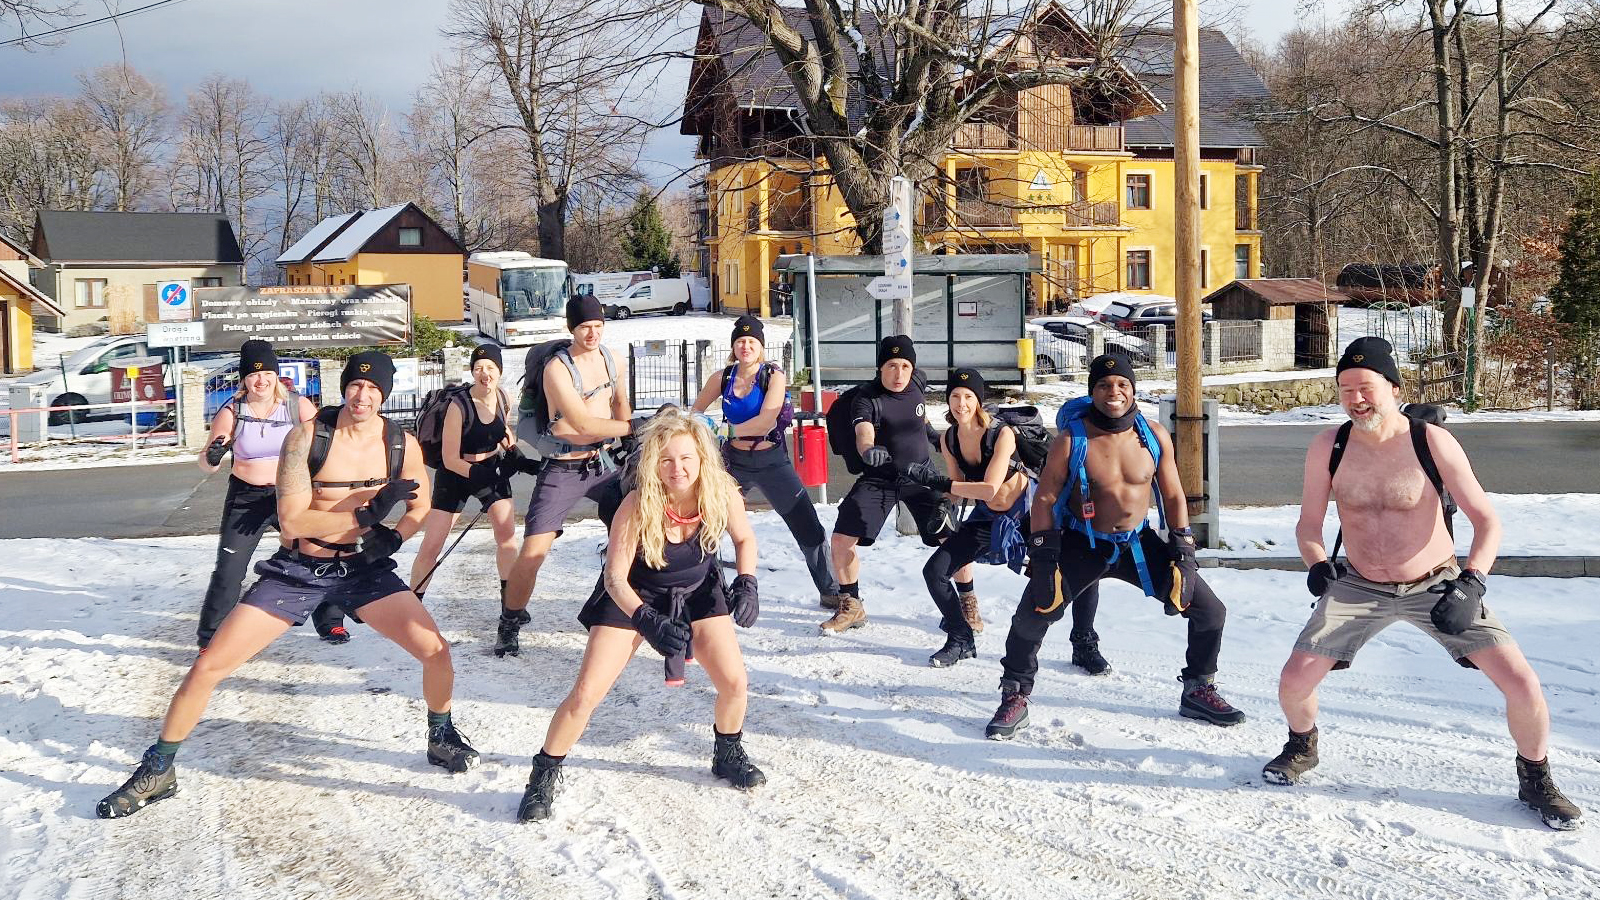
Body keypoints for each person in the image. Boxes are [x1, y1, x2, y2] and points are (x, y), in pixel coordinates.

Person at [95, 352, 478, 819]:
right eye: (356, 387)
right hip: (300, 569)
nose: (363, 396)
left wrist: (395, 536)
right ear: (344, 389)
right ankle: (159, 769)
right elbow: (292, 519)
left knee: (436, 651)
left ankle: (440, 736)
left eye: (374, 389)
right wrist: (366, 515)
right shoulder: (307, 437)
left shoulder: (400, 444)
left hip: (361, 570)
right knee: (210, 665)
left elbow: (419, 503)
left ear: (385, 394)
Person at [1263, 336, 1582, 831]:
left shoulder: (1430, 442)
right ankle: (1302, 746)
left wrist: (1472, 582)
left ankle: (1535, 777)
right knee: (1294, 678)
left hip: (1437, 582)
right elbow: (1308, 525)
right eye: (1345, 389)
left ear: (1393, 386)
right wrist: (1318, 563)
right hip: (1359, 585)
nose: (1355, 399)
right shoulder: (1330, 445)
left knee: (1521, 682)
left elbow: (1486, 521)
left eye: (1365, 387)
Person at [516, 409, 765, 822]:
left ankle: (727, 751)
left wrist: (747, 582)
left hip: (698, 589)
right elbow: (614, 576)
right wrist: (646, 620)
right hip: (634, 593)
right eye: (666, 460)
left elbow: (744, 537)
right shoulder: (637, 502)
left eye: (686, 458)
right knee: (585, 694)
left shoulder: (721, 490)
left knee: (735, 682)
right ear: (653, 463)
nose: (677, 468)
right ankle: (544, 772)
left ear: (702, 458)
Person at [987, 353, 1242, 740]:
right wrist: (1043, 555)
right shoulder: (1072, 439)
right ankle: (1015, 695)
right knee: (1033, 614)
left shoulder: (1153, 435)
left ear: (1133, 389)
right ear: (1092, 392)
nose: (1114, 392)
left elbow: (1172, 494)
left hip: (1137, 545)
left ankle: (1198, 689)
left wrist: (1183, 547)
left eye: (1122, 384)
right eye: (1105, 385)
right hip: (1082, 543)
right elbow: (1044, 499)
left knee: (1210, 611)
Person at [498, 295, 632, 657]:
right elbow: (581, 423)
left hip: (603, 463)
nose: (592, 333)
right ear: (571, 327)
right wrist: (633, 427)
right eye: (585, 326)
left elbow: (620, 403)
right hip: (563, 466)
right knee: (533, 551)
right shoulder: (557, 369)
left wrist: (627, 433)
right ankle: (509, 620)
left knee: (633, 535)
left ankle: (605, 607)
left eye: (598, 326)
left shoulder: (613, 360)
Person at [691, 314, 841, 608]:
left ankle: (830, 590)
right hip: (733, 462)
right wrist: (700, 423)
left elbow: (765, 421)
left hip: (771, 459)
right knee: (709, 522)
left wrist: (722, 429)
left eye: (752, 341)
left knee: (806, 523)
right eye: (740, 341)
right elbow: (695, 412)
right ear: (733, 346)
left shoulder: (773, 375)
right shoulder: (722, 377)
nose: (745, 346)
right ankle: (705, 589)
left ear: (760, 347)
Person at [194, 339, 317, 649]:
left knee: (319, 553)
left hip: (291, 493)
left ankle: (330, 622)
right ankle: (210, 637)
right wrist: (212, 456)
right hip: (246, 498)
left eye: (266, 374)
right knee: (229, 568)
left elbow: (325, 446)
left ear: (276, 376)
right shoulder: (233, 411)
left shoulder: (297, 406)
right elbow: (207, 461)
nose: (260, 381)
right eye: (253, 375)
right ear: (244, 379)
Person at [822, 335, 949, 633]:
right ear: (880, 368)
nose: (899, 373)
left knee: (952, 537)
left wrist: (932, 436)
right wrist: (869, 450)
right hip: (880, 479)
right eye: (892, 365)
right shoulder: (867, 398)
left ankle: (967, 603)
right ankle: (851, 605)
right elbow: (863, 431)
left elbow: (920, 415)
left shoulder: (918, 381)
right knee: (841, 539)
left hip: (921, 476)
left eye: (905, 365)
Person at [903, 368, 1028, 667]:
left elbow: (988, 488)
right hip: (987, 517)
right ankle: (961, 639)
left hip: (1027, 515)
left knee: (1066, 575)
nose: (961, 404)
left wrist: (940, 483)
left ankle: (1083, 640)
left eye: (968, 397)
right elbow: (958, 488)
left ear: (979, 401)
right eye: (955, 397)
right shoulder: (950, 438)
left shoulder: (1002, 434)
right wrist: (940, 502)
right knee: (934, 571)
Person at [409, 343, 519, 607]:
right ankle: (413, 603)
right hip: (455, 475)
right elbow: (449, 458)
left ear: (499, 371)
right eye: (479, 368)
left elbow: (502, 430)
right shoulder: (458, 405)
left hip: (490, 468)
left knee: (506, 536)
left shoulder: (504, 397)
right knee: (433, 544)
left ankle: (511, 602)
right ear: (472, 371)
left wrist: (513, 451)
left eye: (491, 367)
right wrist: (476, 474)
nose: (485, 373)